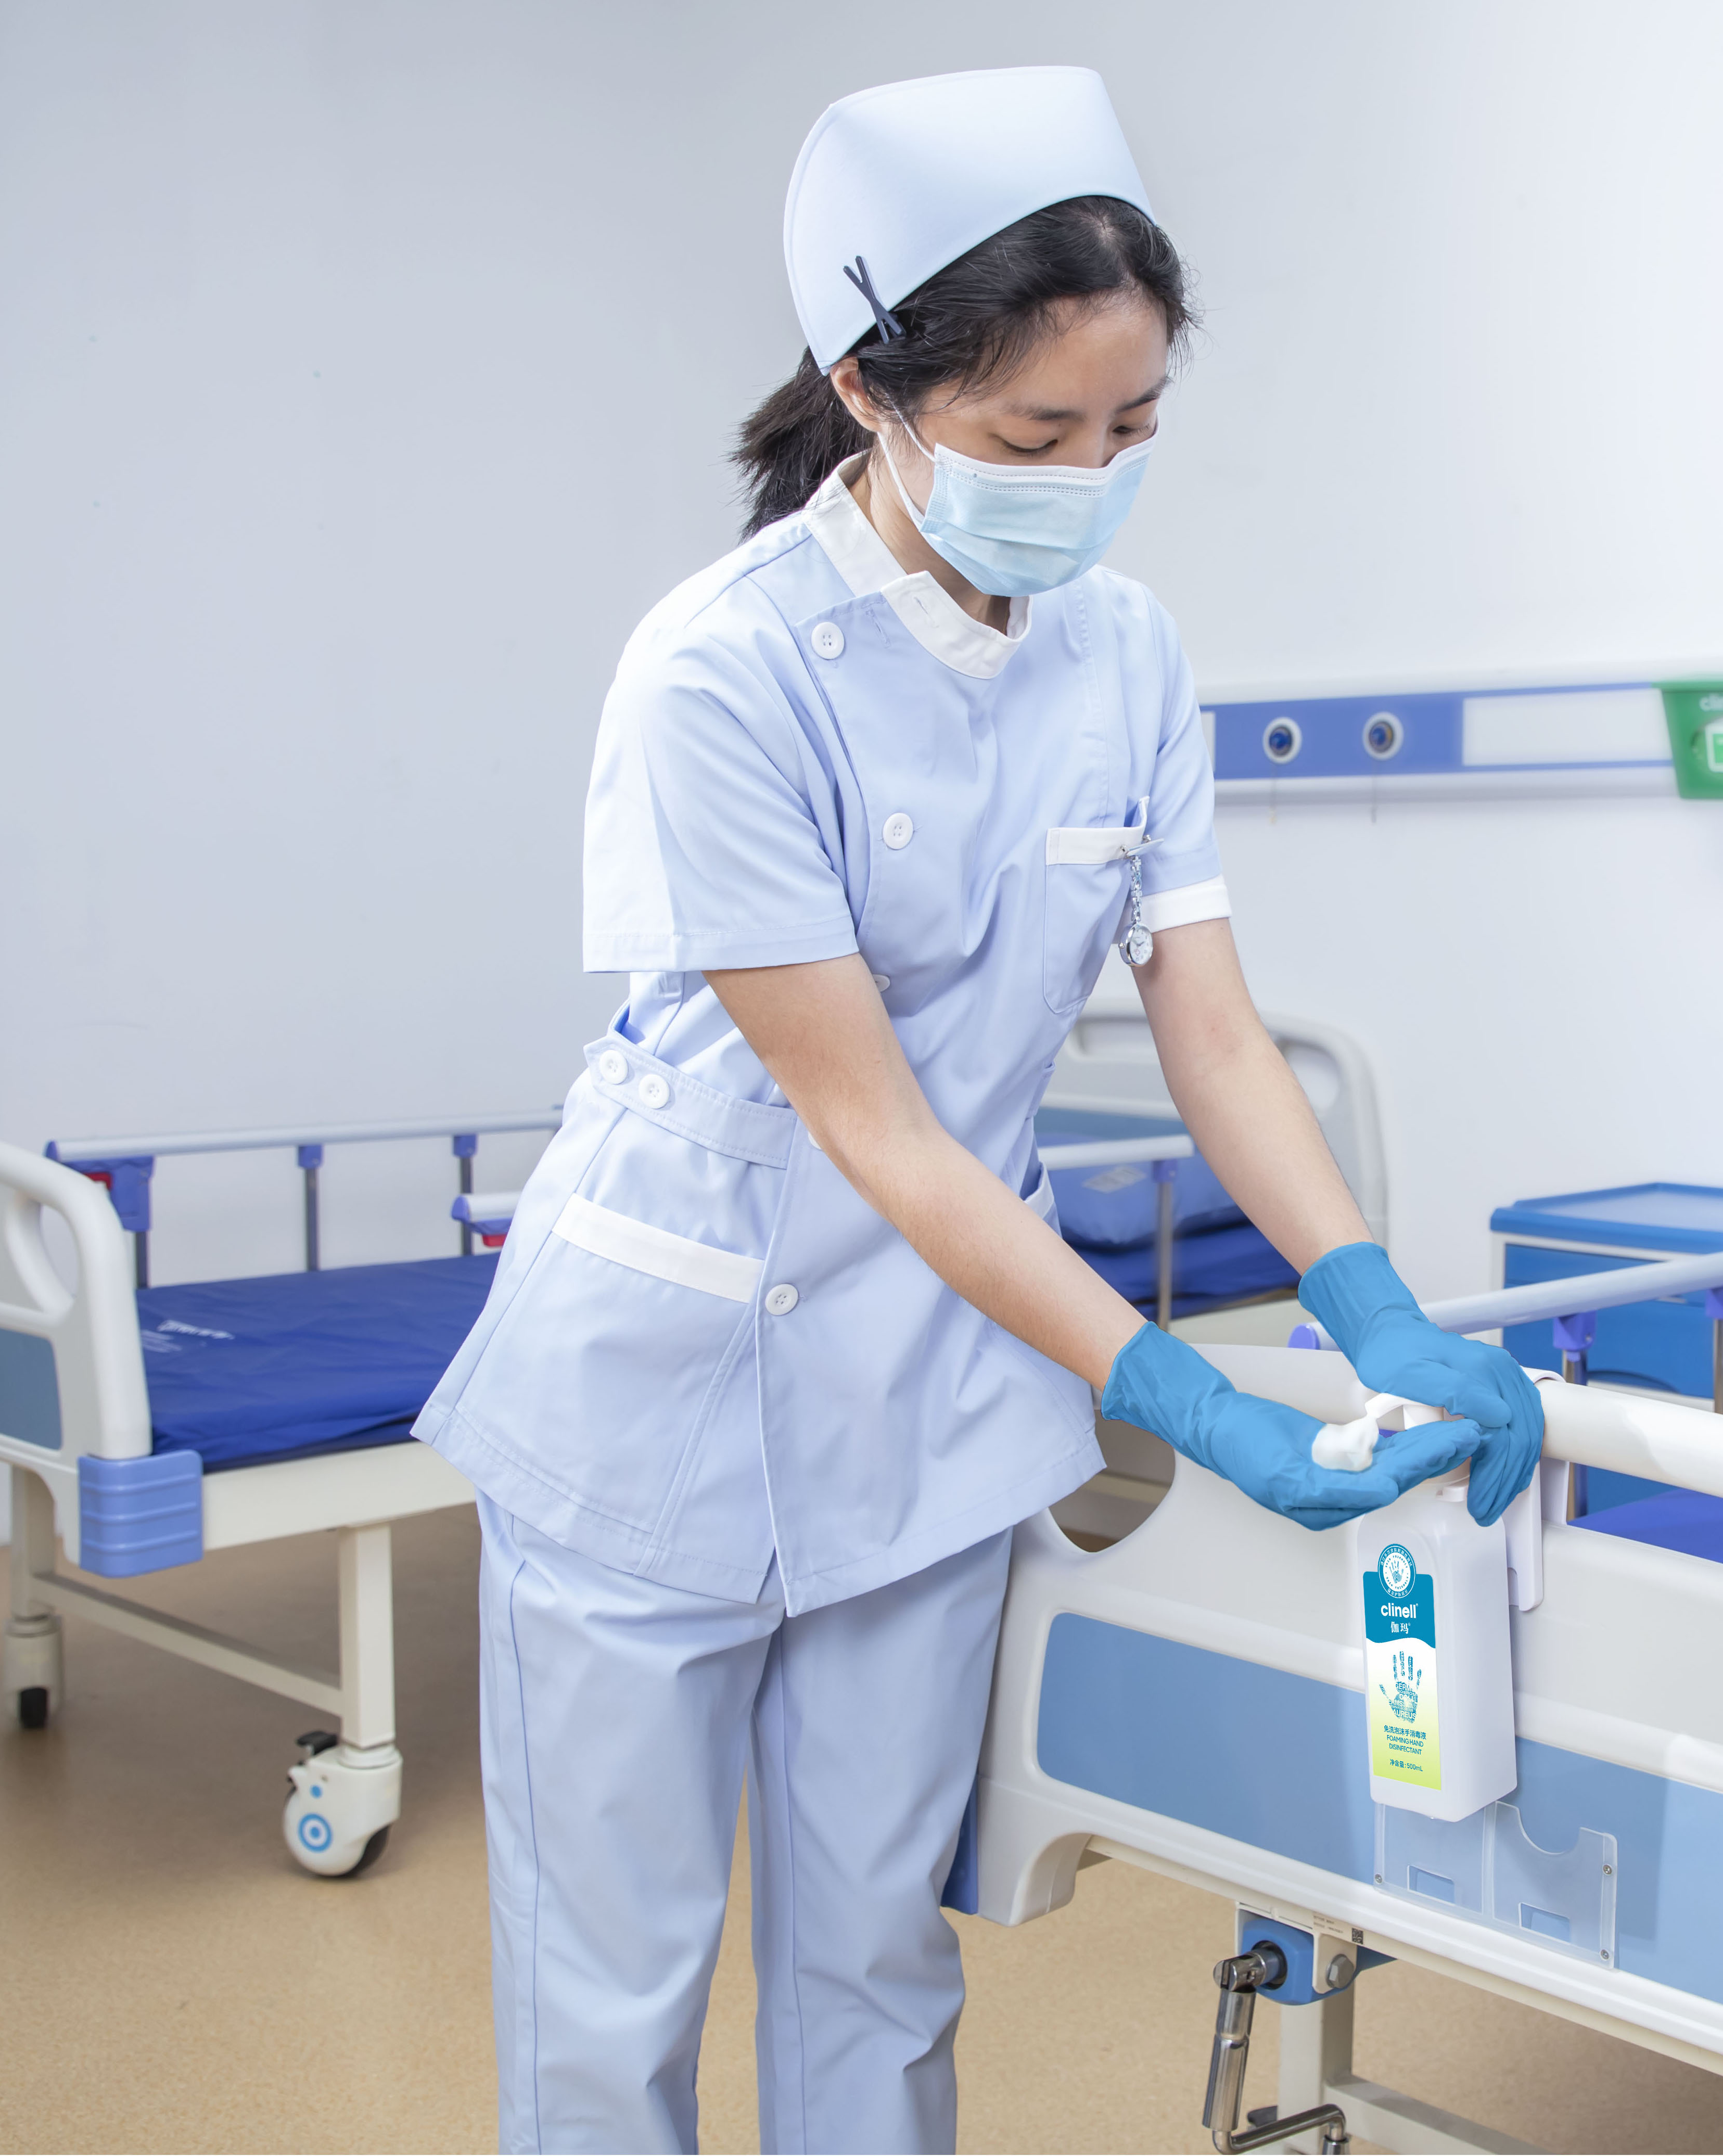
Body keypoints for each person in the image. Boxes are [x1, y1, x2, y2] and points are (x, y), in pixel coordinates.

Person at [413, 66, 1543, 2156]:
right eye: (1036, 436)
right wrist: (1178, 1398)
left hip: (929, 1405)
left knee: (876, 1964)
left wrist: (1369, 1298)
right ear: (871, 385)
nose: (1090, 479)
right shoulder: (723, 672)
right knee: (610, 1994)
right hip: (658, 1392)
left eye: (1132, 429)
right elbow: (884, 1131)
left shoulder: (1130, 657)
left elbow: (1212, 1028)